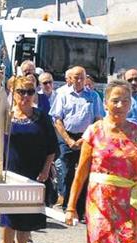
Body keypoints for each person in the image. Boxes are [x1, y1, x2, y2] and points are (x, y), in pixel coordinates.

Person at [65, 80, 137, 243]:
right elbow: (81, 173)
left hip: (130, 203)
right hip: (100, 203)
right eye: (115, 100)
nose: (120, 105)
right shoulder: (94, 131)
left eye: (125, 100)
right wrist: (71, 206)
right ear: (105, 103)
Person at [0, 75, 56, 243]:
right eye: (21, 91)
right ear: (13, 93)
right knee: (9, 220)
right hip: (11, 173)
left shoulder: (42, 117)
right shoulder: (4, 116)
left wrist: (46, 169)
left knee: (26, 221)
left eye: (30, 92)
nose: (25, 96)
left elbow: (52, 147)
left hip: (35, 174)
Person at [49, 66, 104, 220]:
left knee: (85, 174)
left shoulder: (93, 96)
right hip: (67, 138)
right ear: (70, 79)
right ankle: (68, 206)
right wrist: (68, 140)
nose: (79, 80)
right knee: (66, 174)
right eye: (76, 77)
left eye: (82, 77)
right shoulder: (62, 95)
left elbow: (98, 119)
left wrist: (85, 138)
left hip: (87, 138)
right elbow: (57, 119)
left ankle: (81, 209)